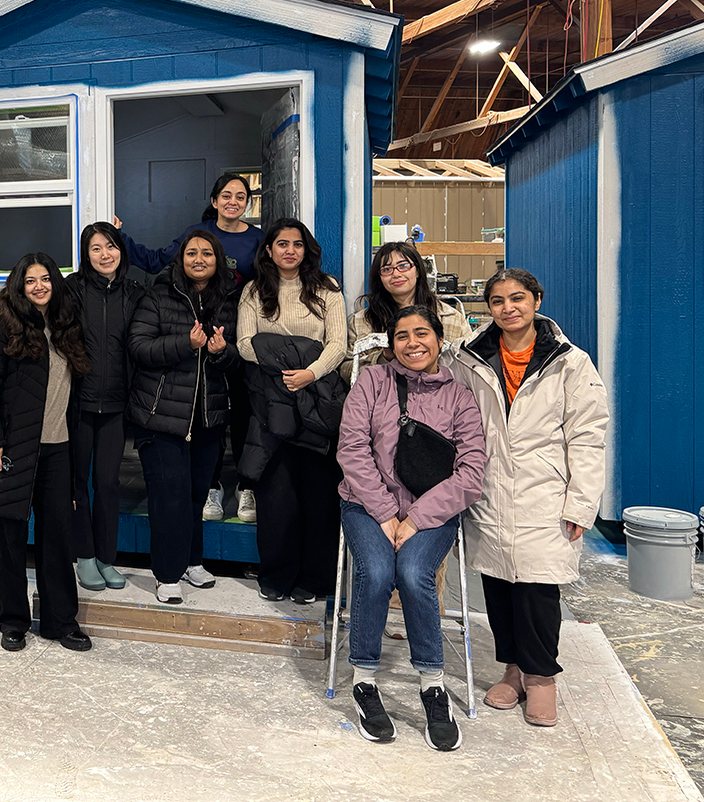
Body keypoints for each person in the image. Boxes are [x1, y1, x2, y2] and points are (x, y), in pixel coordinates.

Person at [449, 269, 609, 727]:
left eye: (517, 298)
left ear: (536, 300)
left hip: (546, 489)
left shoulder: (569, 361)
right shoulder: (471, 358)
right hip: (489, 485)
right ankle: (512, 668)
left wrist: (581, 501)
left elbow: (588, 434)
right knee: (498, 583)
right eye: (497, 301)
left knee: (538, 587)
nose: (508, 308)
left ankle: (541, 677)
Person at [337, 304, 486, 751]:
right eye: (402, 335)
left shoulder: (460, 397)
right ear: (390, 342)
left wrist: (417, 517)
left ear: (440, 340)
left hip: (431, 511)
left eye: (422, 334)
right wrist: (385, 512)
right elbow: (352, 450)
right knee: (378, 573)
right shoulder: (372, 382)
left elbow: (472, 471)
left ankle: (432, 686)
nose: (413, 343)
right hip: (366, 506)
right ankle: (364, 681)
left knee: (415, 574)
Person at [0, 253, 93, 653]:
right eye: (30, 280)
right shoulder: (1, 325)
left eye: (46, 278)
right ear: (18, 285)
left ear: (56, 282)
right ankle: (13, 622)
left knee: (57, 540)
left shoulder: (66, 324)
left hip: (57, 449)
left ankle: (61, 622)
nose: (39, 286)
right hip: (12, 450)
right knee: (12, 541)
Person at [115, 173, 261, 525]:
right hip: (193, 335)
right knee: (205, 417)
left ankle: (246, 486)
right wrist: (117, 236)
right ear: (214, 201)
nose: (233, 202)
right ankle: (212, 487)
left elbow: (269, 282)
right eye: (226, 195)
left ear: (247, 203)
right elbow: (154, 262)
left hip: (238, 332)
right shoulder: (195, 234)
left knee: (240, 411)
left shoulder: (258, 239)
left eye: (240, 197)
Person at [237, 218, 348, 604]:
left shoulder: (327, 289)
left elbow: (338, 345)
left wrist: (309, 371)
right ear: (268, 249)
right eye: (281, 243)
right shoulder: (254, 291)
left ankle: (314, 580)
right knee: (277, 496)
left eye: (297, 244)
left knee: (318, 495)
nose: (289, 250)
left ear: (306, 249)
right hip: (271, 401)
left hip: (318, 400)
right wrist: (292, 362)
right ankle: (277, 575)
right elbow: (245, 344)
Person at [126, 230, 239, 605]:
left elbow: (238, 359)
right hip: (160, 417)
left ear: (217, 259)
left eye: (207, 253)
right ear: (180, 259)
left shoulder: (228, 301)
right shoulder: (157, 295)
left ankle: (192, 561)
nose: (199, 259)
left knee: (194, 496)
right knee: (167, 498)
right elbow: (139, 347)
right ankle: (167, 573)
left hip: (208, 418)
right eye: (191, 253)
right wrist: (185, 344)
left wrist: (223, 352)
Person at [67, 222, 144, 592]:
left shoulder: (133, 292)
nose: (104, 255)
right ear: (86, 254)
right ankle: (83, 556)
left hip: (116, 404)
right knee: (77, 483)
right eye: (95, 249)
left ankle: (106, 557)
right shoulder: (71, 290)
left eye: (110, 246)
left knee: (109, 484)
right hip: (78, 404)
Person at [344, 241, 473, 378]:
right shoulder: (361, 321)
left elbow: (471, 364)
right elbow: (346, 370)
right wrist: (383, 358)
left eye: (403, 266)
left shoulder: (451, 318)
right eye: (387, 269)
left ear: (417, 270)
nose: (396, 274)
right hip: (381, 397)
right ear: (379, 277)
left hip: (441, 395)